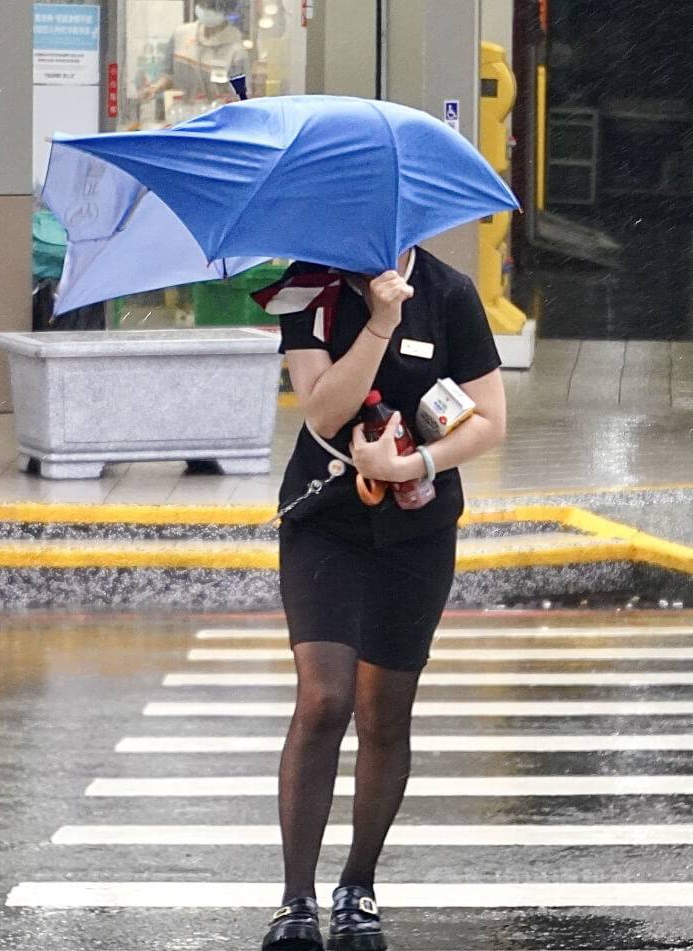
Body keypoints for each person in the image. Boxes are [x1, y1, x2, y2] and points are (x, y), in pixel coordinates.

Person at [257, 246, 507, 951]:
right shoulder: (308, 288)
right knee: (325, 697)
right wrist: (379, 322)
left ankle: (357, 885)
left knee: (384, 712)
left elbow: (488, 417)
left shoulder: (449, 292)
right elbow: (322, 406)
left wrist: (413, 463)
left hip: (416, 529)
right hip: (325, 523)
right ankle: (295, 899)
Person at [142, 0, 250, 110]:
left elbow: (242, 96)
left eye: (212, 7)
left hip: (217, 115)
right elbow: (168, 75)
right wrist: (155, 89)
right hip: (183, 113)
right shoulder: (181, 34)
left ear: (226, 11)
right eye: (203, 5)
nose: (206, 10)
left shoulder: (236, 50)